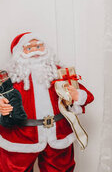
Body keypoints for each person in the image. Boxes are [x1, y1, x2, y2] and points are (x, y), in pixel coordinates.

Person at [0, 32, 94, 172]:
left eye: (39, 46)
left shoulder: (58, 73)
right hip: (21, 136)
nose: (35, 51)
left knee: (61, 168)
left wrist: (77, 95)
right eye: (29, 48)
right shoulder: (10, 78)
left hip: (58, 134)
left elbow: (87, 96)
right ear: (19, 53)